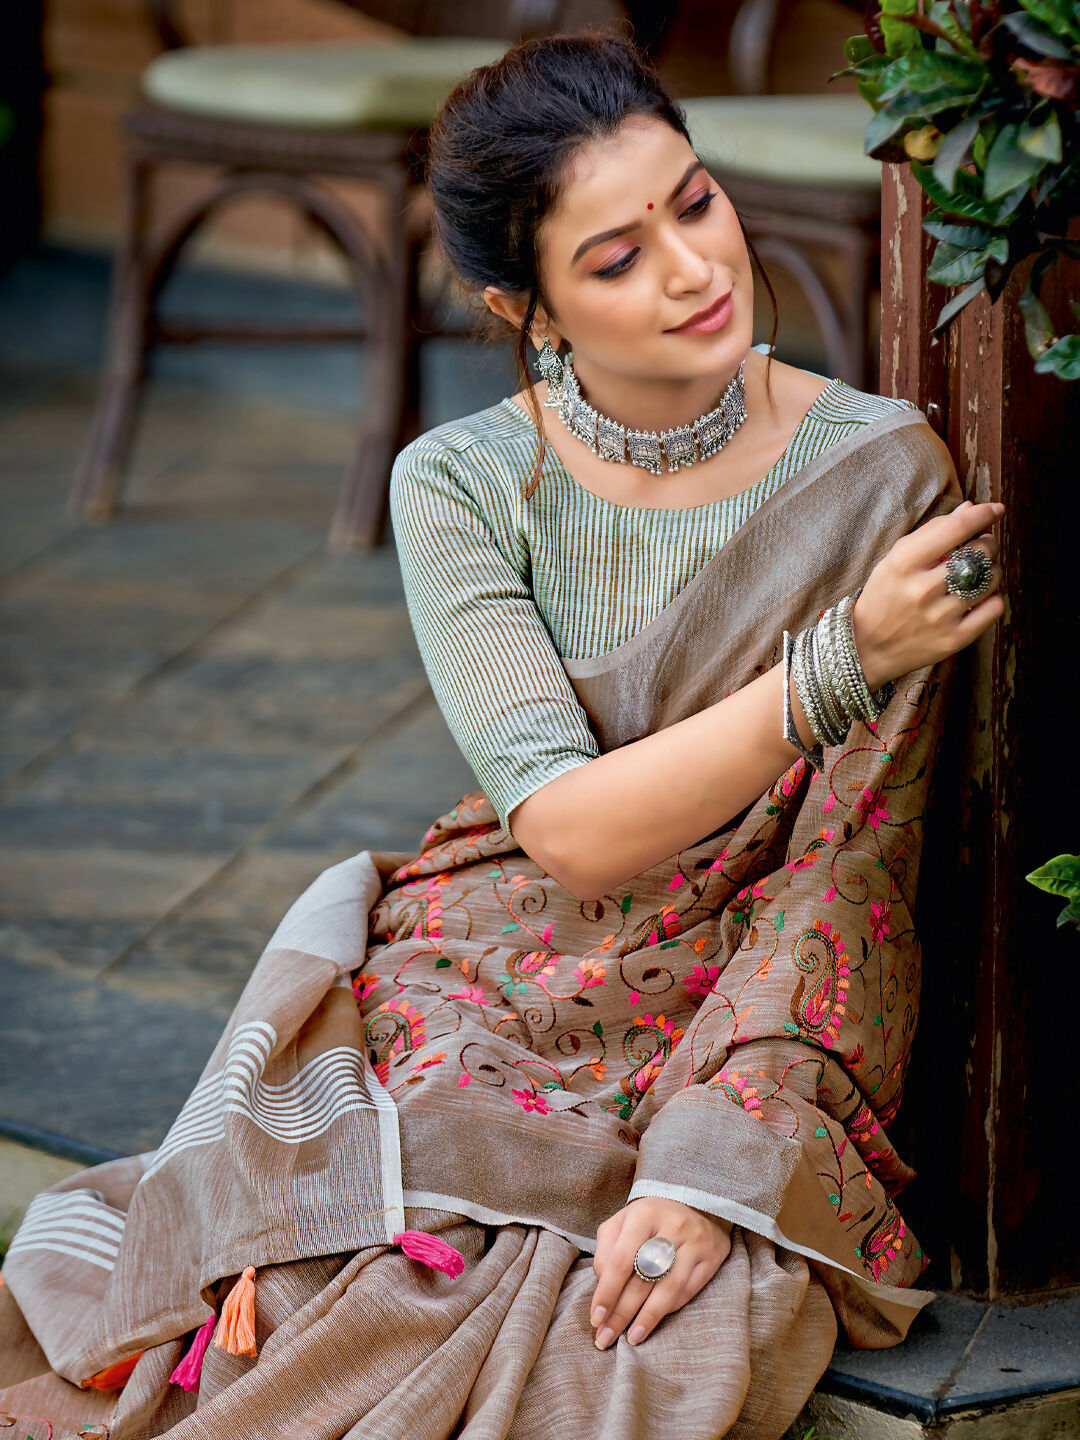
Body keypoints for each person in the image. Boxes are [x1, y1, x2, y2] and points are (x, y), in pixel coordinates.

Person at [0, 31, 1005, 1440]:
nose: (694, 269)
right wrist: (844, 660)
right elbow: (568, 830)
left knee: (626, 1333)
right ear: (523, 306)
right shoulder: (465, 483)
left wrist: (721, 1162)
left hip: (736, 984)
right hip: (500, 948)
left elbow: (854, 861)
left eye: (696, 201)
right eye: (613, 259)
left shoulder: (881, 472)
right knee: (332, 1278)